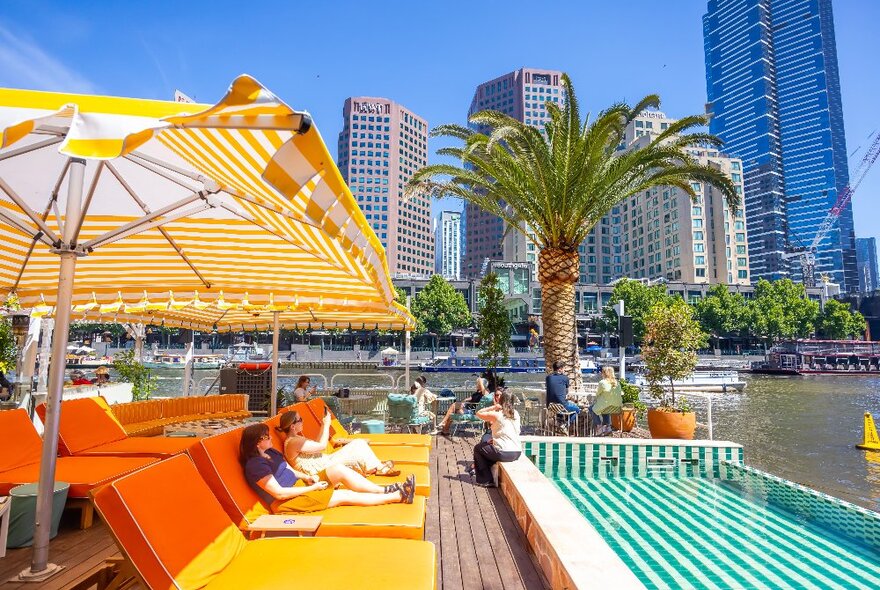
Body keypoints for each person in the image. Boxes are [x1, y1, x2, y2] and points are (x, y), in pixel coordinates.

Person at [240, 423, 414, 514]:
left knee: (337, 469)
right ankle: (399, 495)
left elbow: (287, 469)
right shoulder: (255, 465)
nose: (270, 437)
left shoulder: (270, 452)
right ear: (257, 442)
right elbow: (279, 494)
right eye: (266, 436)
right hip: (287, 502)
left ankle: (383, 490)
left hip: (301, 486)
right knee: (343, 495)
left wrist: (307, 477)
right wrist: (313, 487)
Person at [278, 409, 401, 477]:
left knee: (358, 443)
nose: (302, 421)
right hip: (320, 468)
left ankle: (377, 467)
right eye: (300, 419)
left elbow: (316, 445)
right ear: (293, 426)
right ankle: (379, 468)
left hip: (322, 461)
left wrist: (322, 425)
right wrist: (327, 425)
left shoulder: (295, 439)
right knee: (357, 451)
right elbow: (321, 446)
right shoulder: (293, 442)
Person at [471, 388, 521, 487]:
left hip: (504, 453)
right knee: (487, 446)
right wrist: (495, 440)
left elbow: (478, 413)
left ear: (501, 400)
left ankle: (486, 480)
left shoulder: (498, 415)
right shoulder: (516, 414)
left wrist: (493, 407)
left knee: (478, 448)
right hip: (517, 452)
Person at [592, 366, 623, 436]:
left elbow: (597, 394)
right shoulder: (617, 382)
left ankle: (599, 427)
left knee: (592, 408)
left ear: (604, 374)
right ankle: (607, 427)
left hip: (607, 406)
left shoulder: (602, 382)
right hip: (617, 407)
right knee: (605, 408)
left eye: (602, 373)